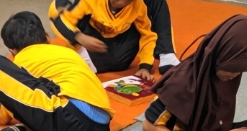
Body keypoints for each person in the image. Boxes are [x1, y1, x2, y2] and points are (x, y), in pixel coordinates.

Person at [0, 12, 113, 131]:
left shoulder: (21, 62)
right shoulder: (68, 53)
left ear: (12, 50)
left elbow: (1, 115)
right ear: (47, 36)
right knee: (48, 92)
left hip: (71, 124)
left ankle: (30, 128)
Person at [49, 0, 179, 76]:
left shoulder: (138, 5)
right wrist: (79, 37)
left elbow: (148, 34)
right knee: (62, 7)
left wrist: (145, 66)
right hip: (91, 46)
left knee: (155, 5)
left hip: (119, 57)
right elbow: (57, 17)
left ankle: (166, 54)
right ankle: (82, 56)